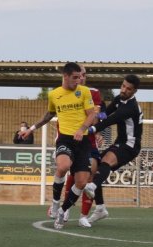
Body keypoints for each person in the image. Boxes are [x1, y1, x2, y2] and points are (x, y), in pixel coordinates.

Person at [21, 62, 96, 230]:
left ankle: (63, 211)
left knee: (82, 182)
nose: (78, 80)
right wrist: (31, 129)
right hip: (65, 139)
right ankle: (55, 203)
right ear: (65, 76)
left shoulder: (84, 92)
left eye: (80, 77)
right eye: (75, 77)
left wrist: (82, 128)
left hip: (82, 141)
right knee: (63, 166)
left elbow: (92, 114)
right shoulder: (54, 94)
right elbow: (49, 114)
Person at [84, 74, 143, 224]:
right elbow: (106, 114)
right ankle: (100, 209)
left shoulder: (131, 107)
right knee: (96, 166)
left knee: (105, 162)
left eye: (128, 89)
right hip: (120, 143)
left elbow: (110, 120)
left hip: (130, 145)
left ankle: (93, 186)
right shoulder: (119, 99)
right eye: (123, 86)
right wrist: (97, 117)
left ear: (134, 91)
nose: (123, 90)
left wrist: (90, 129)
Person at [62, 65, 108, 228]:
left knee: (89, 177)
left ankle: (83, 216)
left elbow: (102, 115)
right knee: (73, 175)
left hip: (89, 141)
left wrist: (98, 124)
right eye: (79, 75)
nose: (82, 77)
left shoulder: (93, 93)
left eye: (84, 75)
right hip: (70, 139)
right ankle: (65, 208)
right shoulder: (65, 93)